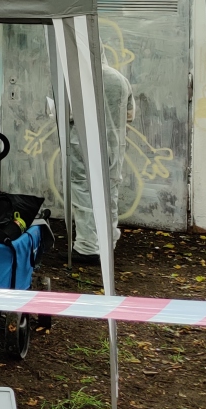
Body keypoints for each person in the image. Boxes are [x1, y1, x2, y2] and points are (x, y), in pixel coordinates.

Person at [68, 54, 134, 263]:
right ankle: (107, 243)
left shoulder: (77, 79)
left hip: (83, 144)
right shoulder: (119, 79)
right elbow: (130, 114)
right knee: (109, 192)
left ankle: (87, 249)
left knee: (84, 191)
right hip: (113, 145)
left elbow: (65, 113)